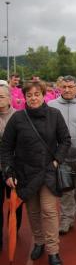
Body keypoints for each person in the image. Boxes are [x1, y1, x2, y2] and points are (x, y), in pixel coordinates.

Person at [1, 79, 71, 265]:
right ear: (24, 98)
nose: (33, 98)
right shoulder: (17, 119)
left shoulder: (54, 115)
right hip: (25, 173)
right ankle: (39, 242)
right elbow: (6, 148)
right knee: (33, 211)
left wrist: (57, 160)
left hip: (48, 171)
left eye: (37, 94)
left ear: (43, 95)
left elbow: (65, 140)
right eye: (29, 95)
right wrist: (8, 171)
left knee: (49, 211)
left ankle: (53, 250)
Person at [48, 76, 76, 235]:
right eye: (64, 86)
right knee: (66, 188)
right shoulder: (51, 106)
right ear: (59, 86)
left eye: (70, 86)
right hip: (61, 157)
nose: (67, 90)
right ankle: (67, 218)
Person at [0, 84, 23, 251]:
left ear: (9, 98)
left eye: (1, 96)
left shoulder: (19, 117)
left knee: (15, 204)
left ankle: (14, 230)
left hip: (15, 168)